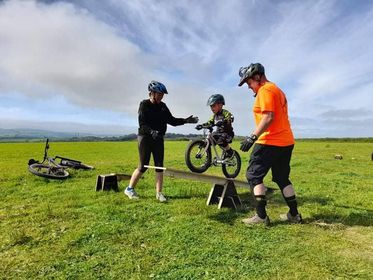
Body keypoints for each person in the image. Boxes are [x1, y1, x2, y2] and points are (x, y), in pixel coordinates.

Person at [238, 63, 302, 225]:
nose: (248, 86)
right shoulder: (277, 90)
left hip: (269, 141)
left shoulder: (264, 90)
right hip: (286, 141)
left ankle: (261, 216)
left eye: (249, 82)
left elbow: (268, 117)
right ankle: (294, 215)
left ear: (257, 77)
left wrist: (252, 138)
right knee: (282, 178)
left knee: (254, 176)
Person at [124, 80, 198, 202]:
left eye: (162, 94)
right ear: (151, 93)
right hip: (145, 138)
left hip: (158, 139)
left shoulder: (163, 107)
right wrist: (151, 131)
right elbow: (142, 124)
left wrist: (186, 120)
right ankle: (130, 189)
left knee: (159, 166)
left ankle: (159, 193)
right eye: (159, 93)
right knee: (143, 166)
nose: (161, 96)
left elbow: (172, 120)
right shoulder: (144, 105)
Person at [196, 94, 234, 159]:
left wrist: (225, 121)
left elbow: (231, 117)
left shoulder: (225, 112)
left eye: (213, 106)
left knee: (221, 140)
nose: (212, 108)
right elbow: (210, 122)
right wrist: (202, 125)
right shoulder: (214, 116)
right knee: (208, 142)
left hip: (227, 133)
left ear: (220, 105)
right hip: (218, 133)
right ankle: (208, 160)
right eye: (211, 106)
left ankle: (230, 152)